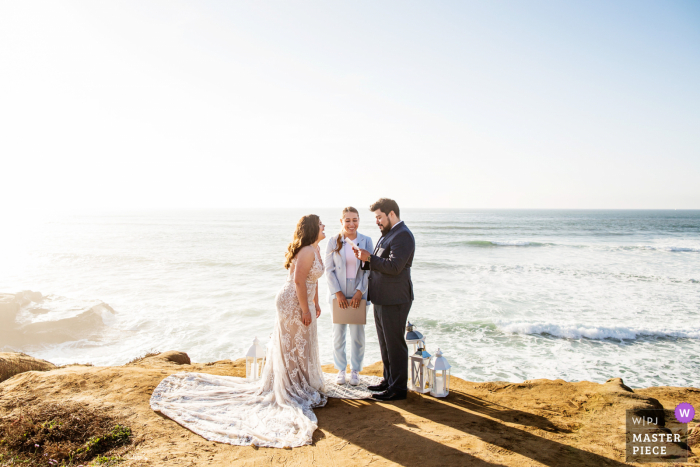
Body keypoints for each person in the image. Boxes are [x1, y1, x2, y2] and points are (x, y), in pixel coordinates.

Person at [150, 215, 329, 448]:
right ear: (313, 228)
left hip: (303, 300)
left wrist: (315, 303)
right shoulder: (306, 251)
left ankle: (301, 382)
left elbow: (312, 281)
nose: (325, 226)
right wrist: (306, 309)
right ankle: (290, 387)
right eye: (321, 224)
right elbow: (298, 281)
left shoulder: (315, 249)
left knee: (302, 343)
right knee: (293, 344)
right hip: (293, 301)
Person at [354, 198, 415, 401]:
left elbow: (394, 267)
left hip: (395, 299)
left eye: (379, 217)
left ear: (391, 214)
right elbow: (378, 263)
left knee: (395, 344)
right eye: (376, 218)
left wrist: (369, 258)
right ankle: (388, 381)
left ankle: (398, 389)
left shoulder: (403, 235)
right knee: (385, 344)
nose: (377, 221)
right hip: (382, 298)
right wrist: (364, 259)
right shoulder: (387, 234)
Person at [324, 207, 373, 386]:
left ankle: (355, 371)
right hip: (338, 293)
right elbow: (328, 270)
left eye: (355, 220)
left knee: (357, 335)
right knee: (338, 333)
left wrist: (360, 292)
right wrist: (338, 293)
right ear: (341, 221)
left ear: (359, 220)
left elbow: (369, 269)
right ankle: (341, 369)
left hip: (360, 292)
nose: (351, 224)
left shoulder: (366, 241)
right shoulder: (333, 241)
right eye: (348, 220)